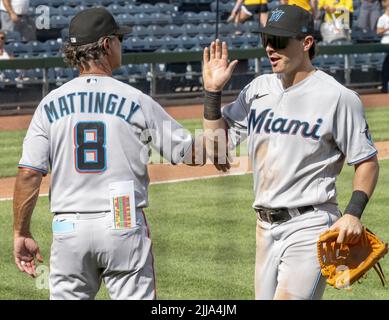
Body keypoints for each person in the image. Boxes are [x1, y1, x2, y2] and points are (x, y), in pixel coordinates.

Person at [13, 7, 204, 300]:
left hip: (68, 224)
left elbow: (29, 173)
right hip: (122, 216)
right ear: (106, 44)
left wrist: (21, 232)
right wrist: (215, 98)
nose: (121, 45)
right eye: (118, 39)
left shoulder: (49, 104)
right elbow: (190, 153)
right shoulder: (135, 99)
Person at [202, 4, 379, 299]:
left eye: (280, 41)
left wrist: (352, 213)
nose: (270, 48)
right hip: (263, 227)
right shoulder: (258, 89)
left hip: (310, 224)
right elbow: (216, 150)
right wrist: (212, 93)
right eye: (266, 40)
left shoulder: (337, 97)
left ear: (306, 43)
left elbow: (367, 162)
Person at [377, 0, 389, 92]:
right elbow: (378, 32)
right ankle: (384, 86)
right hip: (386, 43)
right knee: (386, 66)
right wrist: (387, 28)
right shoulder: (382, 18)